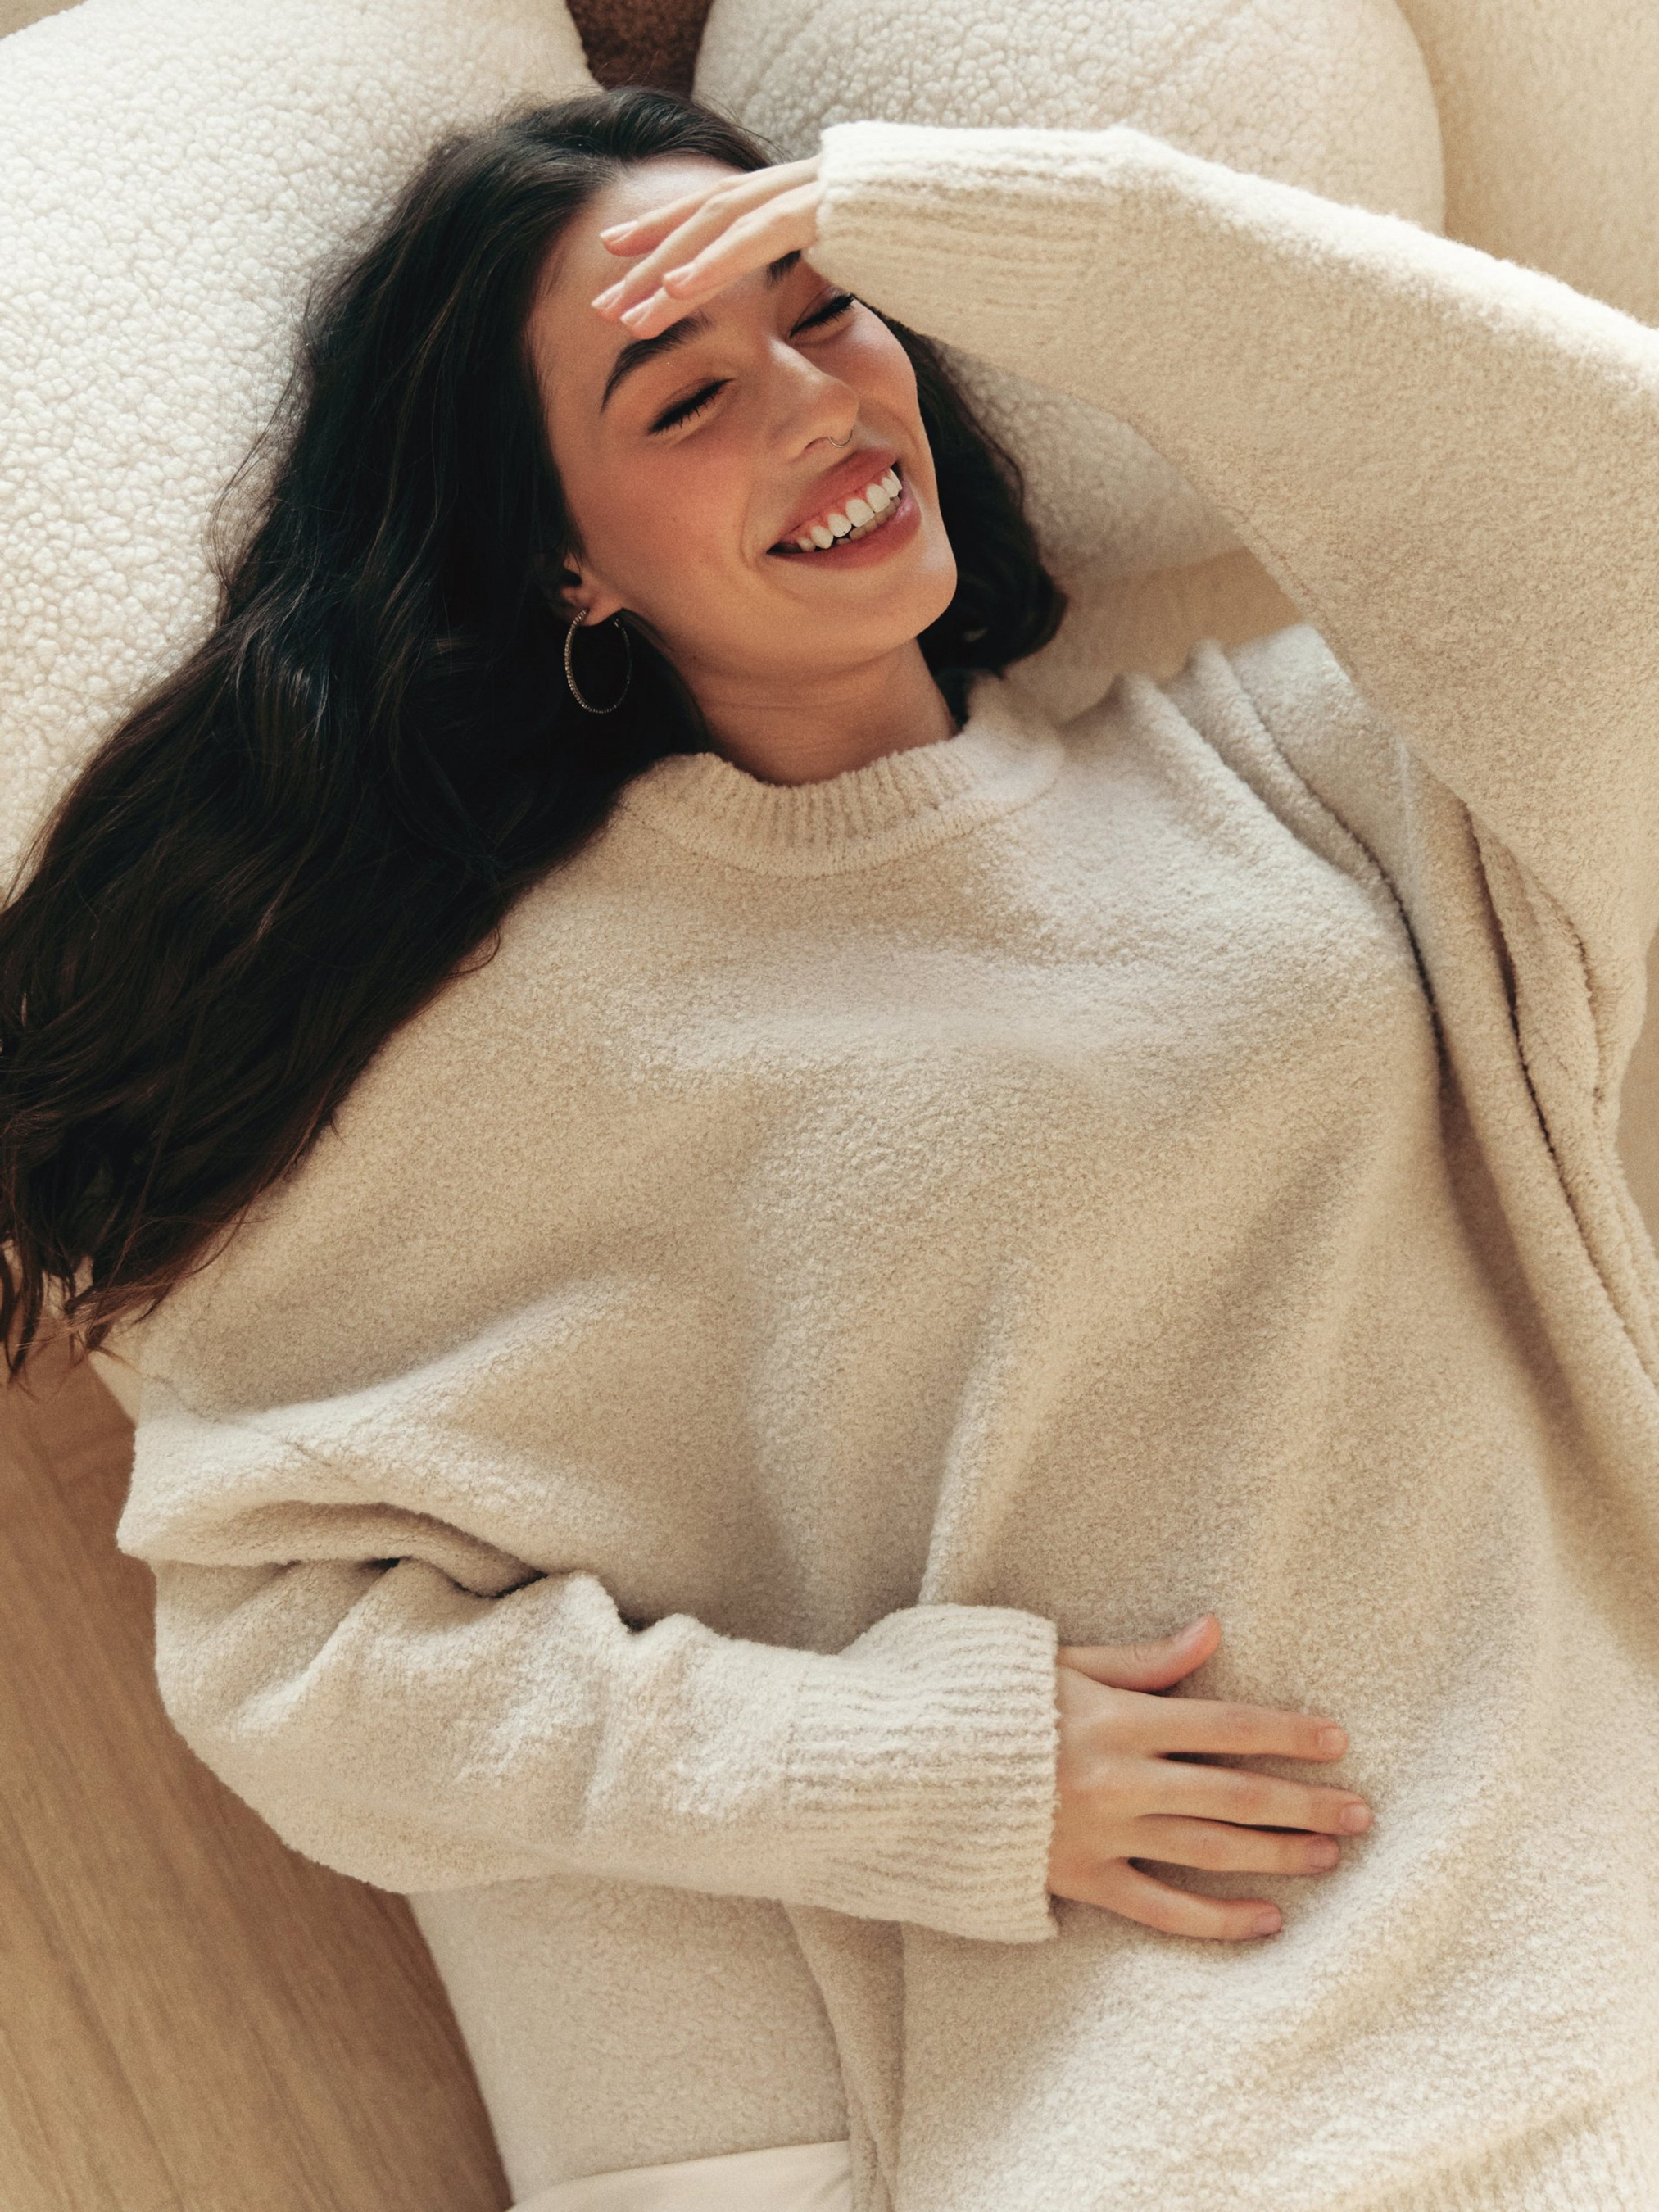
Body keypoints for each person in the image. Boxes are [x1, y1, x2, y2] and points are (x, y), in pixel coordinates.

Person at [2, 79, 1657, 2212]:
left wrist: (1083, 242)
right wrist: (902, 1769)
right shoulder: (527, 1037)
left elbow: (1619, 521)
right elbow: (292, 1655)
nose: (814, 403)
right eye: (686, 394)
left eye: (828, 308)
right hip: (1234, 2110)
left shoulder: (1285, 756)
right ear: (566, 557)